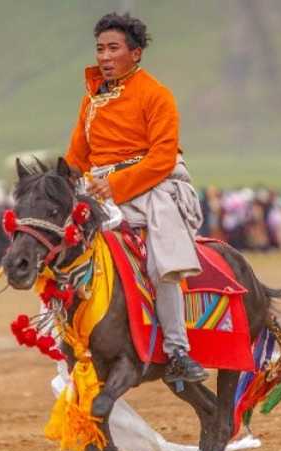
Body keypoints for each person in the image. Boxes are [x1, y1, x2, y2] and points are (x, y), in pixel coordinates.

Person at [65, 12, 207, 384]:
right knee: (61, 246)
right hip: (99, 188)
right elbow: (77, 158)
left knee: (163, 256)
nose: (105, 57)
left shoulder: (156, 95)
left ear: (136, 53)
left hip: (155, 186)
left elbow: (162, 157)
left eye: (113, 48)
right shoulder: (90, 102)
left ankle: (178, 351)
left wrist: (115, 185)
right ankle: (70, 336)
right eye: (100, 49)